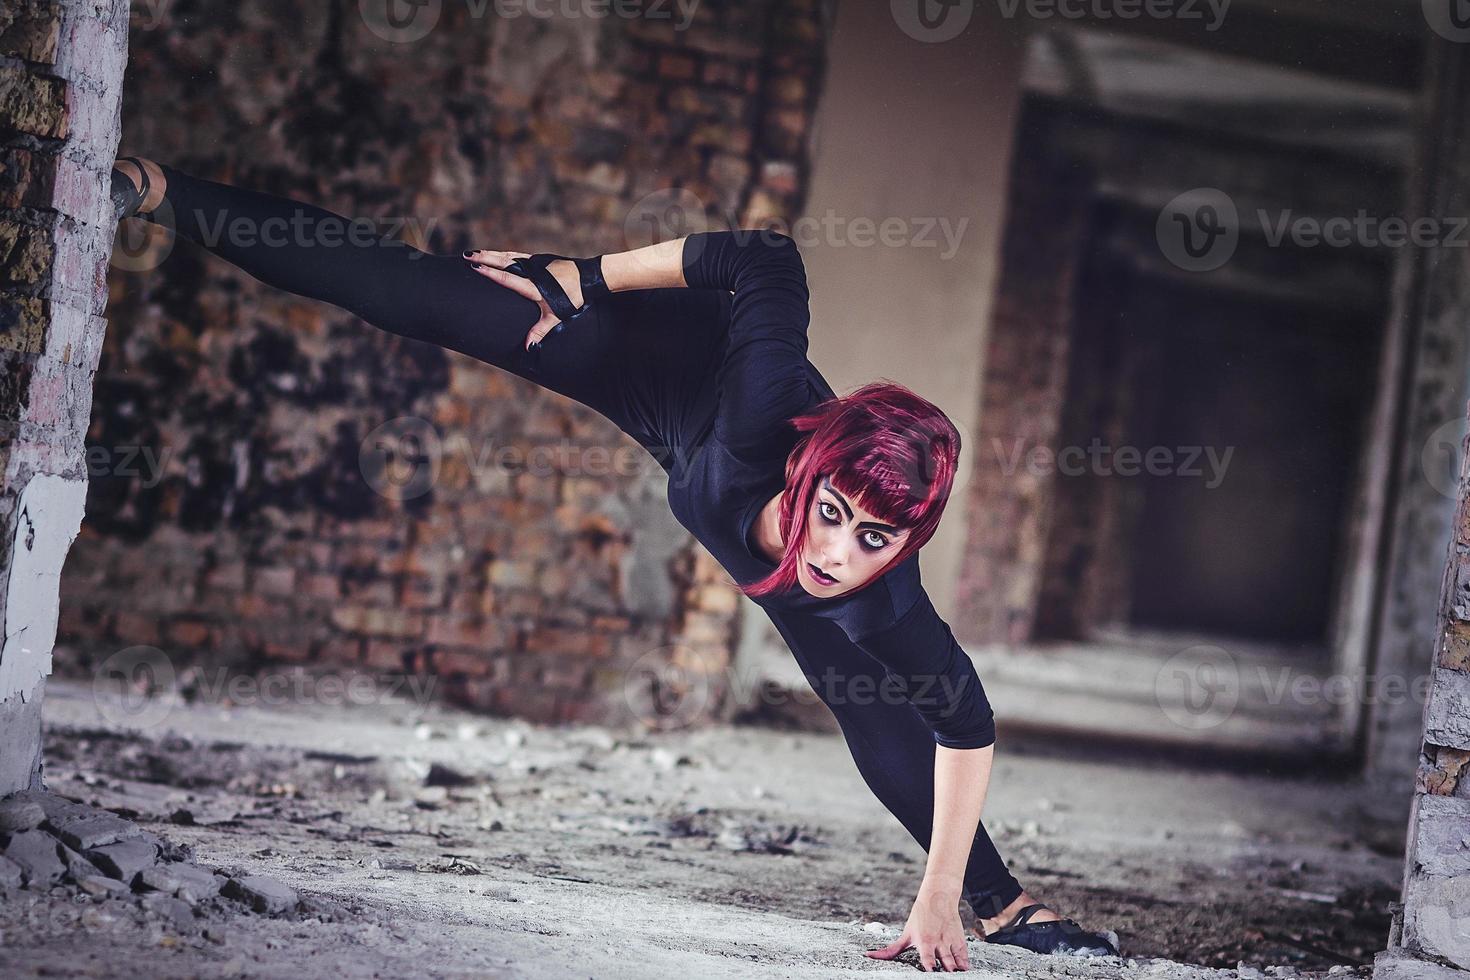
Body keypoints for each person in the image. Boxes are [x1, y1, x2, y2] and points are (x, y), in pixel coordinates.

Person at [110, 157, 1119, 970]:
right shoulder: (766, 392)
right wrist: (584, 276)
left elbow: (964, 722)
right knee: (416, 293)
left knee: (863, 695)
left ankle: (1005, 900)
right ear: (809, 470)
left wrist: (938, 891)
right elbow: (765, 257)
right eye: (832, 514)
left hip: (701, 449)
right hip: (642, 358)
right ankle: (160, 188)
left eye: (875, 539)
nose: (832, 552)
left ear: (906, 542)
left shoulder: (880, 595)